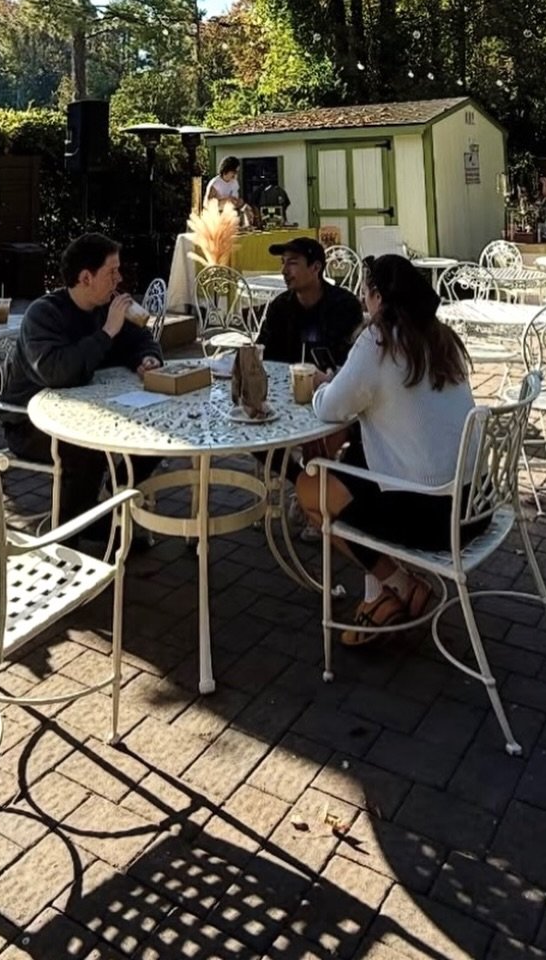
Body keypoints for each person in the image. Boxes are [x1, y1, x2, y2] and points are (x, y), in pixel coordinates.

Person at [296, 253, 487, 645]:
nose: (363, 301)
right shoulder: (440, 337)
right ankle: (382, 593)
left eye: (366, 294)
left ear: (379, 298)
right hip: (476, 505)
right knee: (356, 457)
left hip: (432, 515)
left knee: (309, 488)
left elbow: (332, 408)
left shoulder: (378, 339)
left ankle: (399, 584)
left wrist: (321, 386)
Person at [2, 232, 163, 518]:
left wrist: (147, 358)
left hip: (91, 411)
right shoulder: (44, 314)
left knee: (155, 433)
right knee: (87, 449)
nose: (119, 280)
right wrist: (106, 333)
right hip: (32, 422)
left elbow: (141, 340)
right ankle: (68, 541)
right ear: (86, 278)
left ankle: (110, 500)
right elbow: (56, 372)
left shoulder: (105, 308)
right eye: (111, 272)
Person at [257, 236, 364, 370]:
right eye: (283, 262)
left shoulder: (345, 305)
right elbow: (265, 351)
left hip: (333, 385)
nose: (284, 271)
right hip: (286, 382)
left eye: (292, 263)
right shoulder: (280, 306)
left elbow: (353, 360)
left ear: (315, 268)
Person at [205, 157, 252, 224]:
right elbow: (209, 204)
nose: (235, 175)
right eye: (234, 172)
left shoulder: (234, 183)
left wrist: (245, 207)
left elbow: (235, 202)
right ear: (226, 170)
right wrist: (226, 201)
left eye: (237, 172)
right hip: (214, 220)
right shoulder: (215, 183)